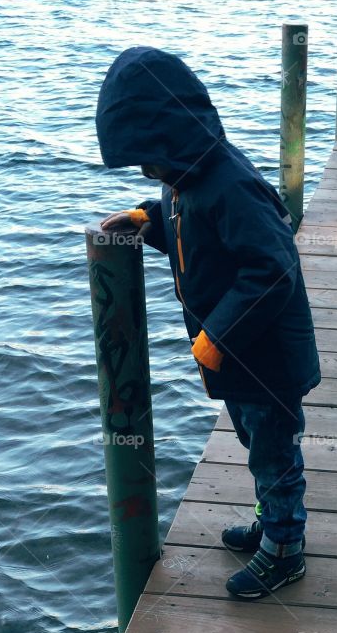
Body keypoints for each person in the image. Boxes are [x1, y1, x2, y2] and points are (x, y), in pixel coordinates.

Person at [95, 46, 320, 600]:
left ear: (174, 137)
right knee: (256, 445)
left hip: (268, 360)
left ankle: (285, 550)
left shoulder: (228, 185)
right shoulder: (185, 178)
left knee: (273, 453)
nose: (150, 170)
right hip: (244, 361)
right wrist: (148, 219)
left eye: (150, 159)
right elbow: (188, 230)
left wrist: (217, 336)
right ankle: (272, 523)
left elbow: (273, 268)